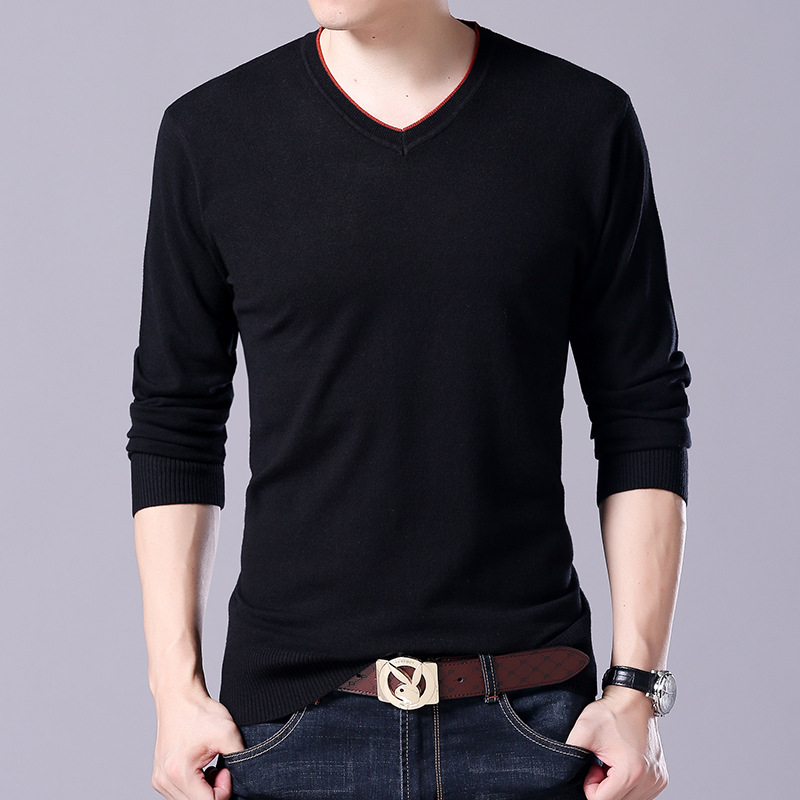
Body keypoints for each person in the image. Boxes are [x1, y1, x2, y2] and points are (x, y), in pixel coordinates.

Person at [127, 1, 691, 798]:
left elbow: (642, 410)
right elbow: (175, 423)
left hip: (531, 721)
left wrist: (636, 689)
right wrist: (173, 691)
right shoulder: (210, 134)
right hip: (290, 730)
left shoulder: (583, 125)